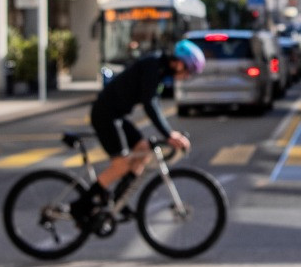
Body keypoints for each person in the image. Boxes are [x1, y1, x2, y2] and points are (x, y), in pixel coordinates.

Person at [71, 39, 206, 228]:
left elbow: (155, 103)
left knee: (143, 150)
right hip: (105, 115)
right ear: (179, 62)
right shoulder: (153, 65)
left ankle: (118, 200)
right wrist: (169, 135)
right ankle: (80, 206)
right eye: (188, 71)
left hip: (116, 115)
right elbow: (149, 103)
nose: (186, 76)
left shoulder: (160, 70)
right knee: (120, 165)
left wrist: (169, 133)